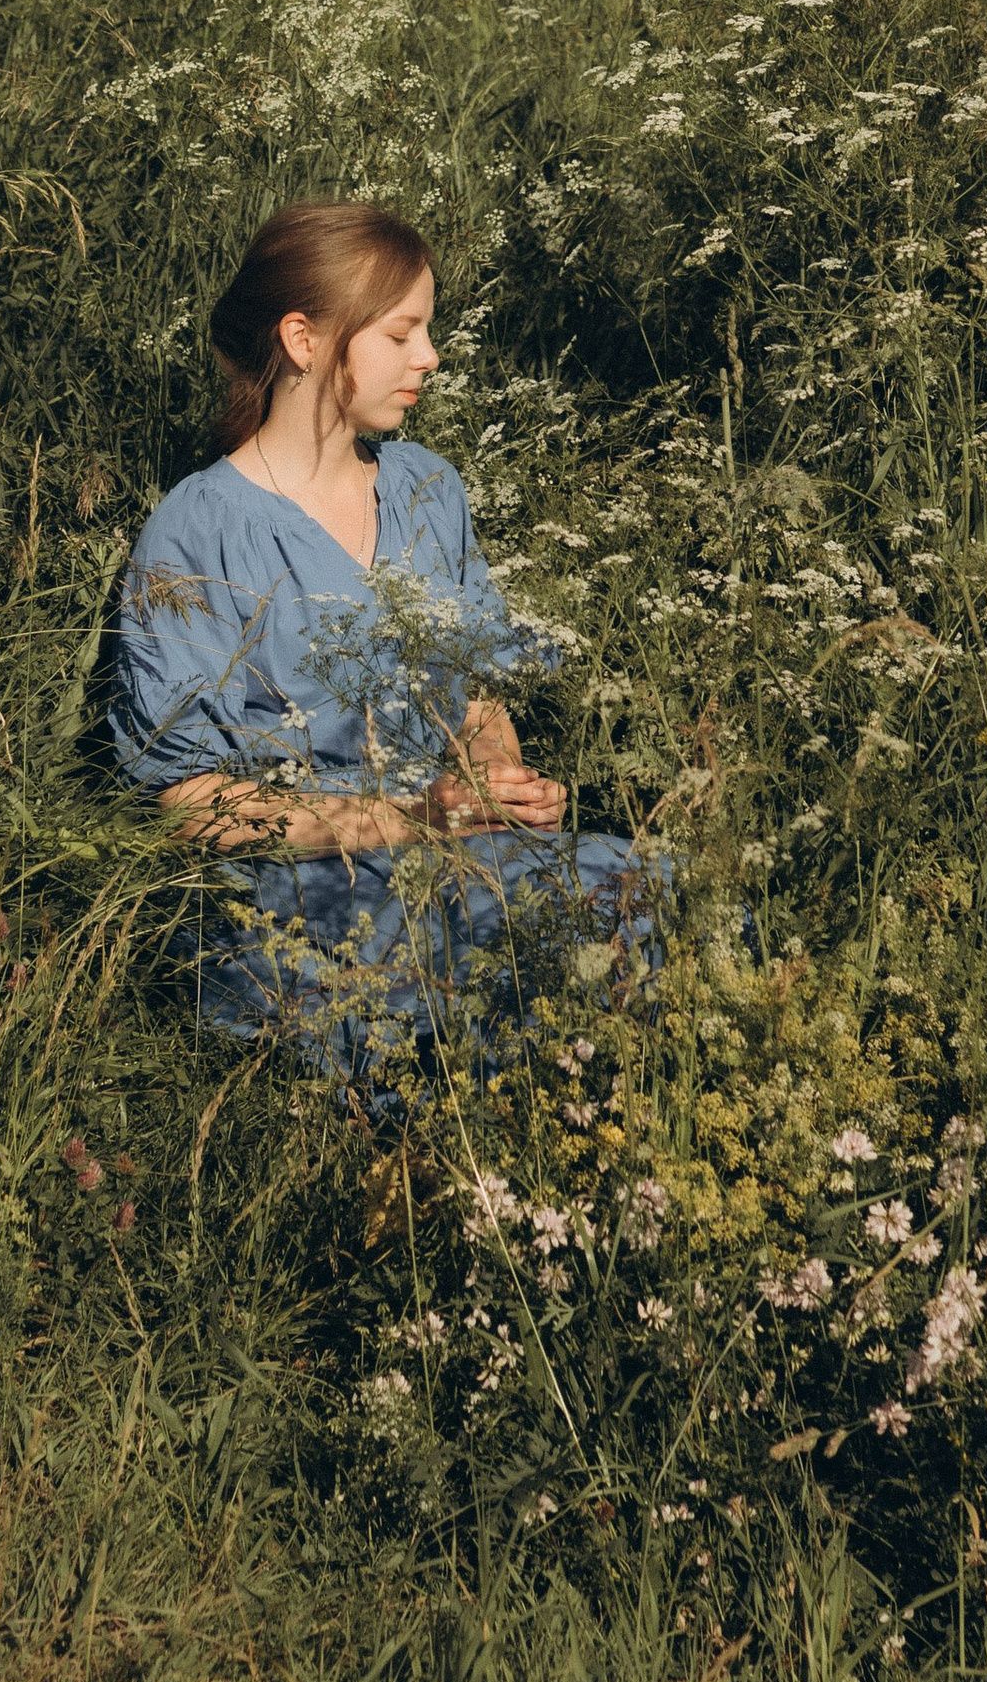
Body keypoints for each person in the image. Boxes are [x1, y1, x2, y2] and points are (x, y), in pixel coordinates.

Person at [107, 200, 659, 1097]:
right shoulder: (197, 532)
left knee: (649, 893)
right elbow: (191, 806)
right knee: (477, 1004)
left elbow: (474, 696)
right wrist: (412, 820)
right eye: (402, 333)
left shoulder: (426, 490)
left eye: (427, 331)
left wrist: (492, 787)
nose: (430, 358)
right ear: (305, 339)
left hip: (451, 857)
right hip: (298, 894)